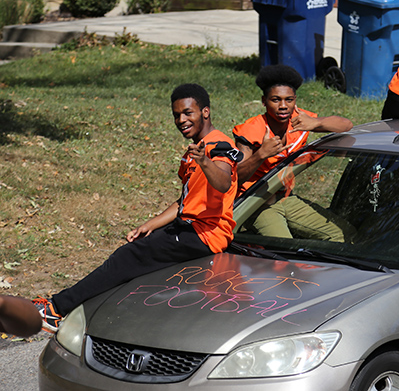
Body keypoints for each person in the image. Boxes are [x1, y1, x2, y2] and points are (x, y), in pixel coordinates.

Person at [32, 83, 242, 332]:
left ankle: (55, 309)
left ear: (205, 112)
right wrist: (150, 224)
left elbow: (223, 182)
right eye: (176, 115)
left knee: (127, 257)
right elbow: (185, 201)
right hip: (188, 228)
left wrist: (205, 161)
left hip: (205, 235)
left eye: (188, 113)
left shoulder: (219, 145)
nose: (181, 120)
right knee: (135, 250)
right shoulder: (194, 150)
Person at [233, 64, 353, 197]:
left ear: (295, 100)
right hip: (253, 200)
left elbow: (346, 125)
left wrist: (316, 123)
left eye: (288, 100)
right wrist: (260, 155)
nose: (283, 106)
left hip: (286, 196)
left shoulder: (299, 120)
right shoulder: (250, 131)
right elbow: (234, 179)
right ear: (264, 101)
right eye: (276, 100)